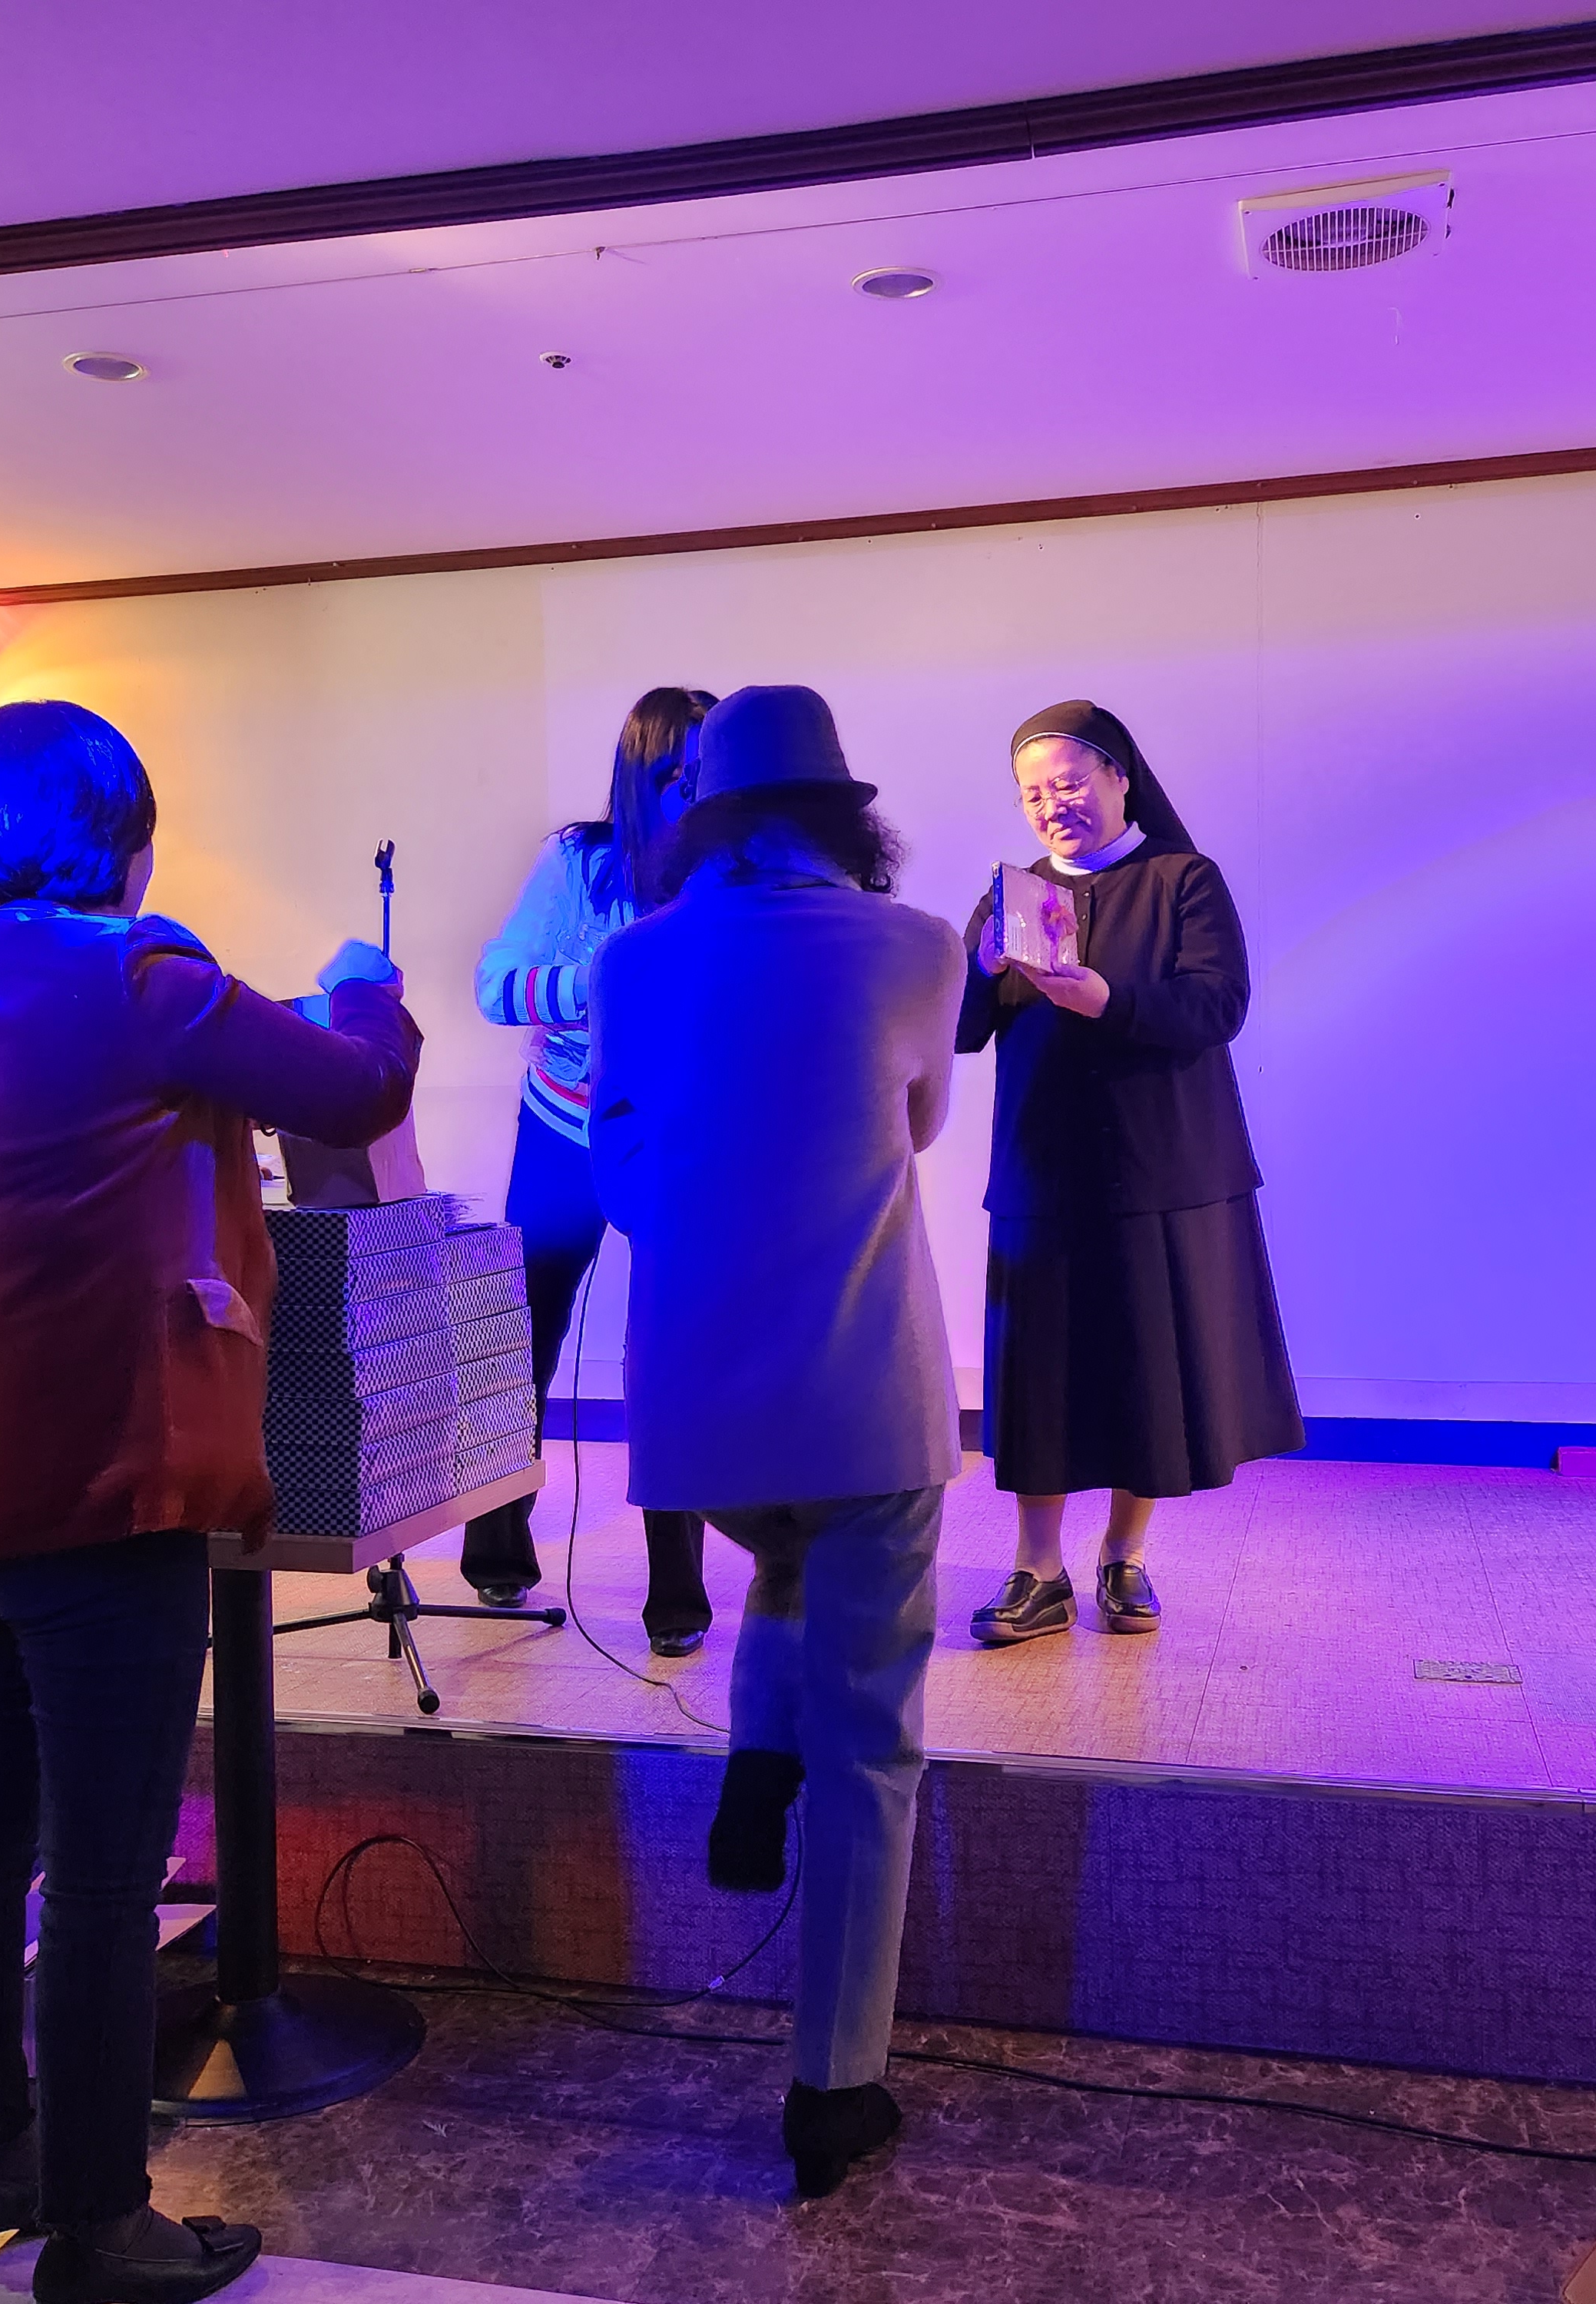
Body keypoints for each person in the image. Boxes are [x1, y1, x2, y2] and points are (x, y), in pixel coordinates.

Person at [0, 700, 420, 2304]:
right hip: (101, 1482)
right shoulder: (140, 980)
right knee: (107, 1872)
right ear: (119, 832)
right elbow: (354, 1093)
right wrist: (366, 987)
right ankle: (103, 2224)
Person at [591, 684, 964, 2199]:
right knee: (872, 1742)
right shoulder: (916, 946)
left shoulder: (632, 957)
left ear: (711, 819)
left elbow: (618, 1168)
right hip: (868, 1393)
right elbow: (917, 1124)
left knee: (781, 1559)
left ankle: (756, 1752)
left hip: (696, 1415)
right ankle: (833, 2089)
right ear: (844, 814)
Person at [959, 700, 1304, 1647]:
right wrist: (980, 967)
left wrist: (1105, 999)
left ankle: (1124, 1555)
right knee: (1038, 1378)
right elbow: (960, 1031)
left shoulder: (1183, 879)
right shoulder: (1013, 894)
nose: (1052, 805)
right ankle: (1037, 1569)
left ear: (1119, 777)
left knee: (1147, 1370)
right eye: (1033, 793)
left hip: (1163, 1169)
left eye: (1069, 783)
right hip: (1042, 1171)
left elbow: (1216, 1007)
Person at [461, 687, 720, 1655]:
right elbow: (495, 986)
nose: (694, 795)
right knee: (519, 1334)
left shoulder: (736, 870)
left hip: (679, 1138)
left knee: (672, 1353)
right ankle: (496, 1552)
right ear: (638, 778)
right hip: (563, 1125)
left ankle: (677, 1595)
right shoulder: (579, 862)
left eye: (708, 775)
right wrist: (601, 977)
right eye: (676, 777)